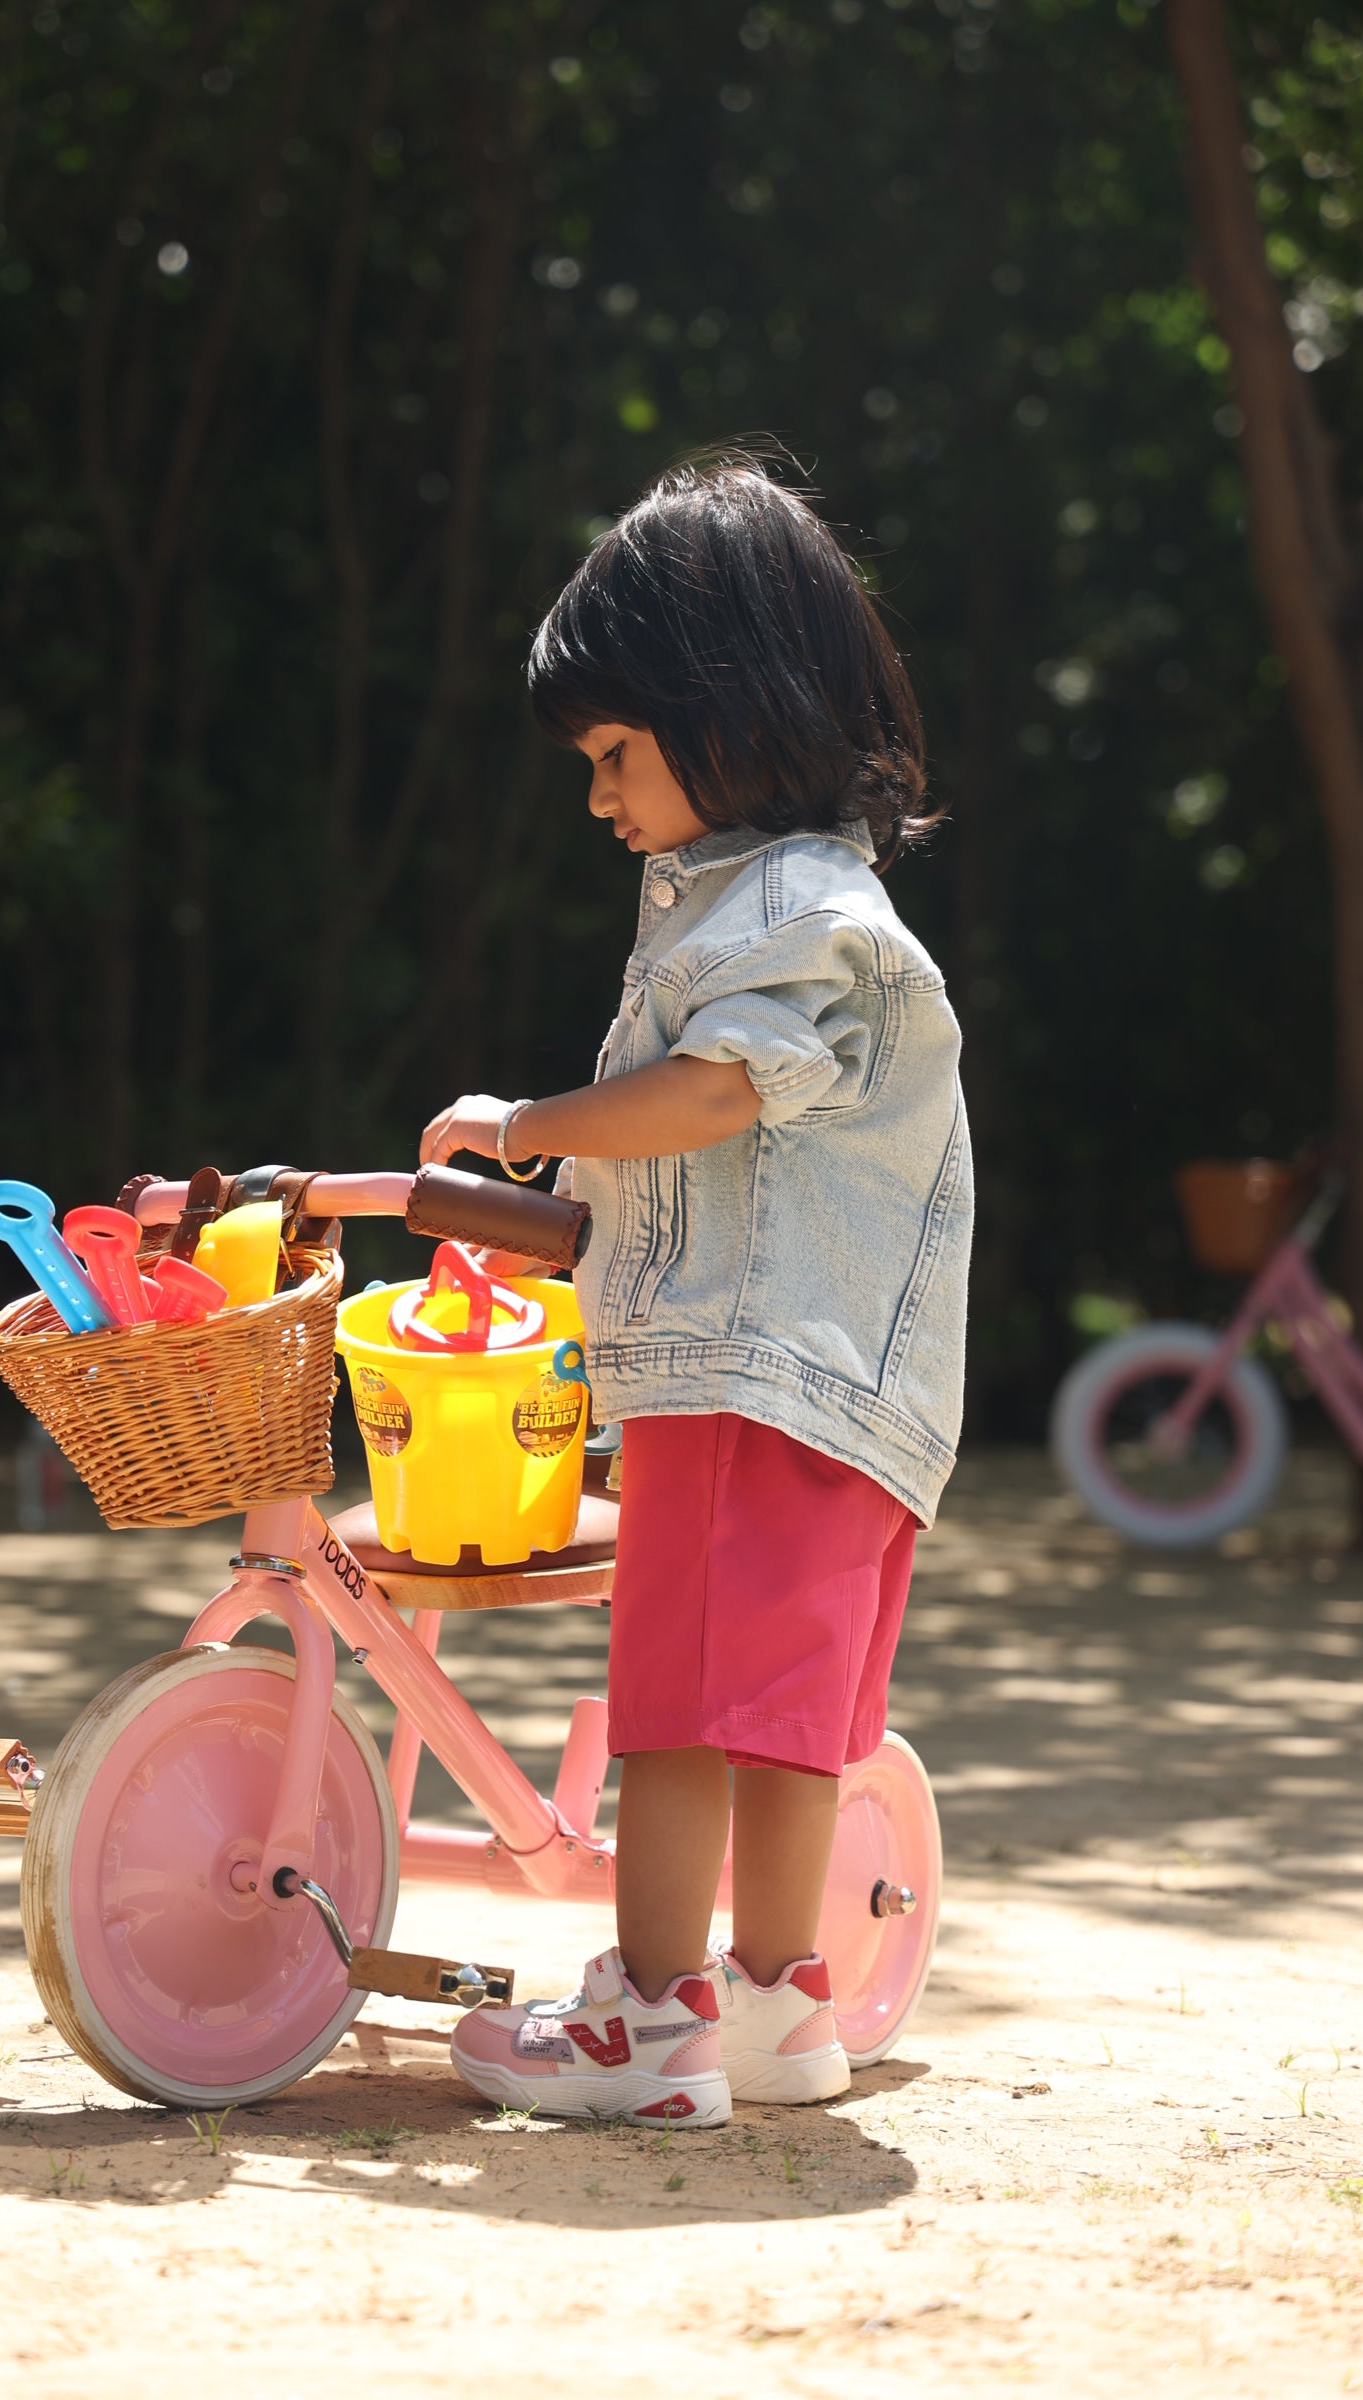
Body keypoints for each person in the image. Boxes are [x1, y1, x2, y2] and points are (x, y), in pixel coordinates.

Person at [419, 453, 972, 2126]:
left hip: (743, 1371)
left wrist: (524, 1127)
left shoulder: (783, 910)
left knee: (672, 1710)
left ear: (723, 706)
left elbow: (721, 1092)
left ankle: (653, 2021)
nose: (598, 796)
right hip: (854, 1394)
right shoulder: (819, 897)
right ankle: (776, 2008)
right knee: (791, 1715)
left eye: (613, 753)